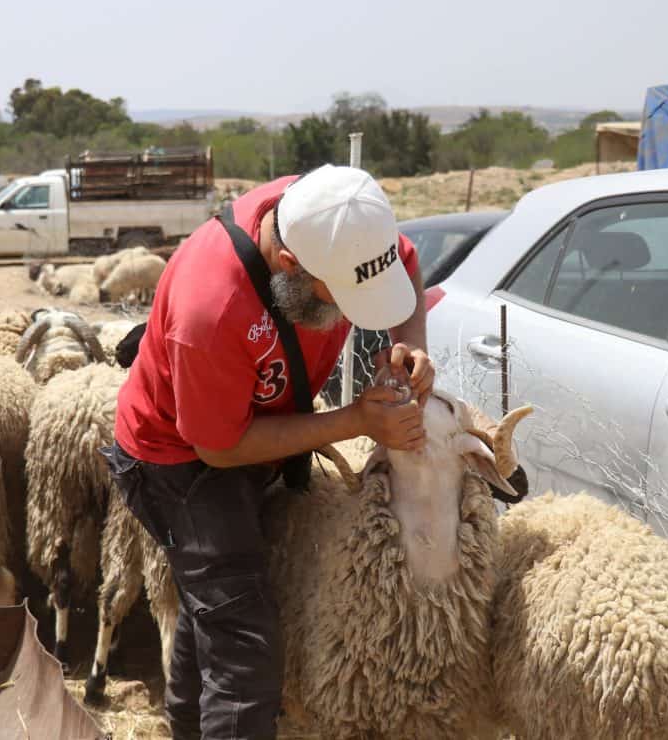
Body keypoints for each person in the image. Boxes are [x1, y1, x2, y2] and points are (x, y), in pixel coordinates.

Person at [103, 164, 434, 739]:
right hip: (179, 458)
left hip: (255, 430)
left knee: (213, 600)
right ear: (291, 267)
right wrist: (354, 420)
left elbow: (402, 266)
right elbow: (220, 445)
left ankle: (185, 726)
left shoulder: (340, 219)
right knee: (245, 651)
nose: (358, 312)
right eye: (347, 296)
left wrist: (409, 346)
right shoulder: (211, 308)